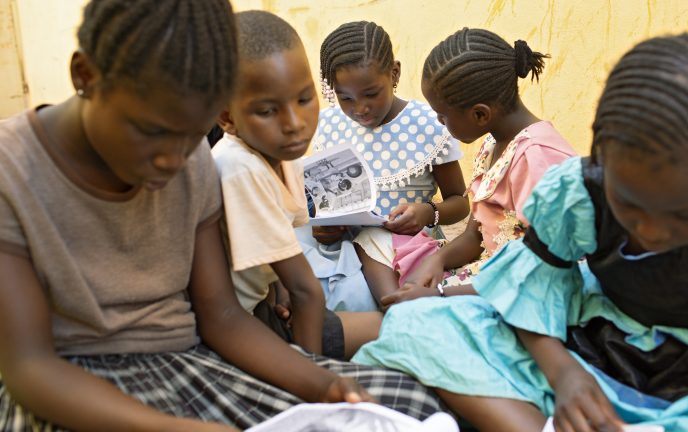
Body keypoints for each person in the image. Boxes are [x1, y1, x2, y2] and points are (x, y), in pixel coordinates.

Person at [0, 2, 444, 430]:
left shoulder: (192, 160)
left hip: (189, 360)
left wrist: (323, 384)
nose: (173, 161)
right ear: (86, 76)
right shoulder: (11, 171)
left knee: (408, 406)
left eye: (193, 135)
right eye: (153, 132)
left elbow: (222, 317)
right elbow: (28, 367)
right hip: (72, 389)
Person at [354, 33, 688, 432]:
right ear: (602, 160)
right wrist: (564, 375)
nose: (649, 228)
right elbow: (533, 290)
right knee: (417, 325)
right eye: (627, 204)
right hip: (585, 343)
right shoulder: (580, 189)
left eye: (684, 213)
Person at [212, 11, 382, 360]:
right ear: (228, 117)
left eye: (304, 100)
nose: (294, 124)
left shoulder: (279, 151)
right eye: (267, 111)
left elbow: (270, 256)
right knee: (394, 330)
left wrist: (275, 286)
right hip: (244, 328)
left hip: (269, 305)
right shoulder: (238, 167)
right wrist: (313, 378)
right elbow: (307, 291)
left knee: (392, 326)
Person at [378, 29, 576, 308]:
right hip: (490, 280)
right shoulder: (493, 146)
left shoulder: (537, 160)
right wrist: (437, 261)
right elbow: (475, 234)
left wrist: (440, 295)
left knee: (410, 322)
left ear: (480, 114)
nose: (438, 121)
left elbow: (543, 275)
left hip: (526, 301)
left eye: (443, 116)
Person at [296, 21, 469, 312]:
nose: (359, 108)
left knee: (365, 275)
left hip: (403, 246)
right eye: (345, 97)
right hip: (343, 245)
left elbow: (460, 203)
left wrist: (428, 212)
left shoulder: (428, 124)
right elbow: (320, 198)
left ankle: (390, 317)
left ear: (395, 73)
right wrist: (324, 226)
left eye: (371, 93)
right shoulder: (329, 126)